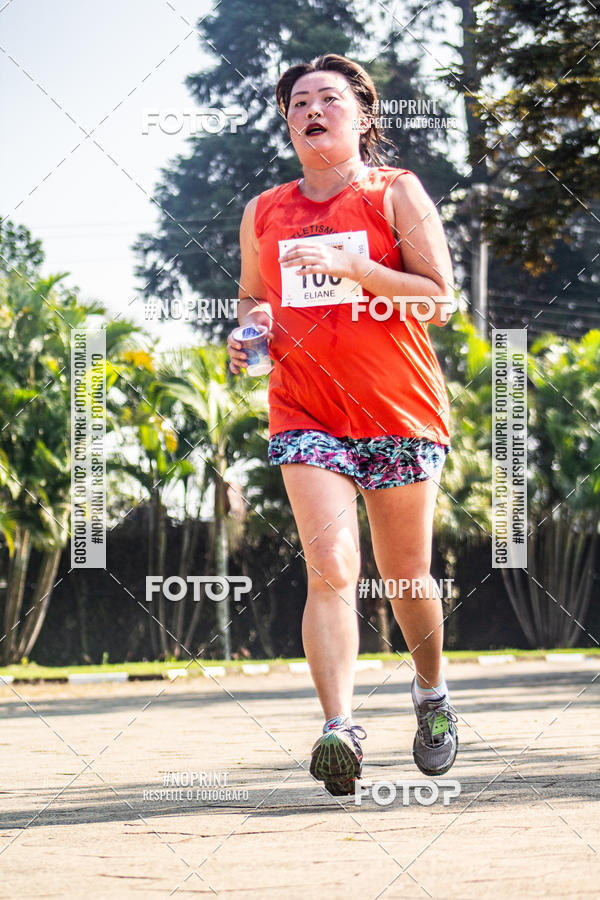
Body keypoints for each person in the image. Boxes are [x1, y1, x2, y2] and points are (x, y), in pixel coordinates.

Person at [227, 53, 458, 796]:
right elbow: (254, 302)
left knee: (405, 577)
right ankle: (339, 727)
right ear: (287, 120)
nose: (312, 109)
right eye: (298, 101)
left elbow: (438, 301)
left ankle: (431, 694)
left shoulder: (397, 194)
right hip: (306, 413)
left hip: (398, 411)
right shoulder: (264, 210)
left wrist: (359, 271)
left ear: (362, 115)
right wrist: (250, 338)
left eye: (329, 97)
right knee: (330, 569)